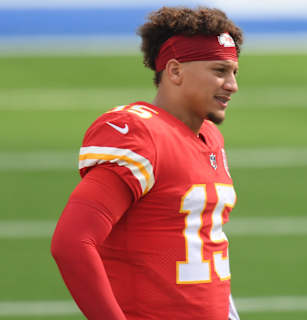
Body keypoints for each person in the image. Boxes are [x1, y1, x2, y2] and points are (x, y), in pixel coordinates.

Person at [51, 6, 243, 320]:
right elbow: (72, 242)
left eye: (234, 72)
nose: (232, 84)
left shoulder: (209, 136)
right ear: (176, 71)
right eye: (219, 71)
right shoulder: (139, 134)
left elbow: (204, 244)